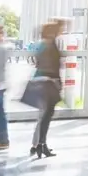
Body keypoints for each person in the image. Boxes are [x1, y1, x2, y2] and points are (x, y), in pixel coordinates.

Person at [30, 21, 64, 158]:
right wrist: (58, 82)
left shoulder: (40, 44)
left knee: (42, 115)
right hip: (49, 83)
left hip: (40, 81)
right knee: (46, 116)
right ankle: (41, 145)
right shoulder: (51, 44)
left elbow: (37, 63)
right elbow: (53, 66)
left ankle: (37, 144)